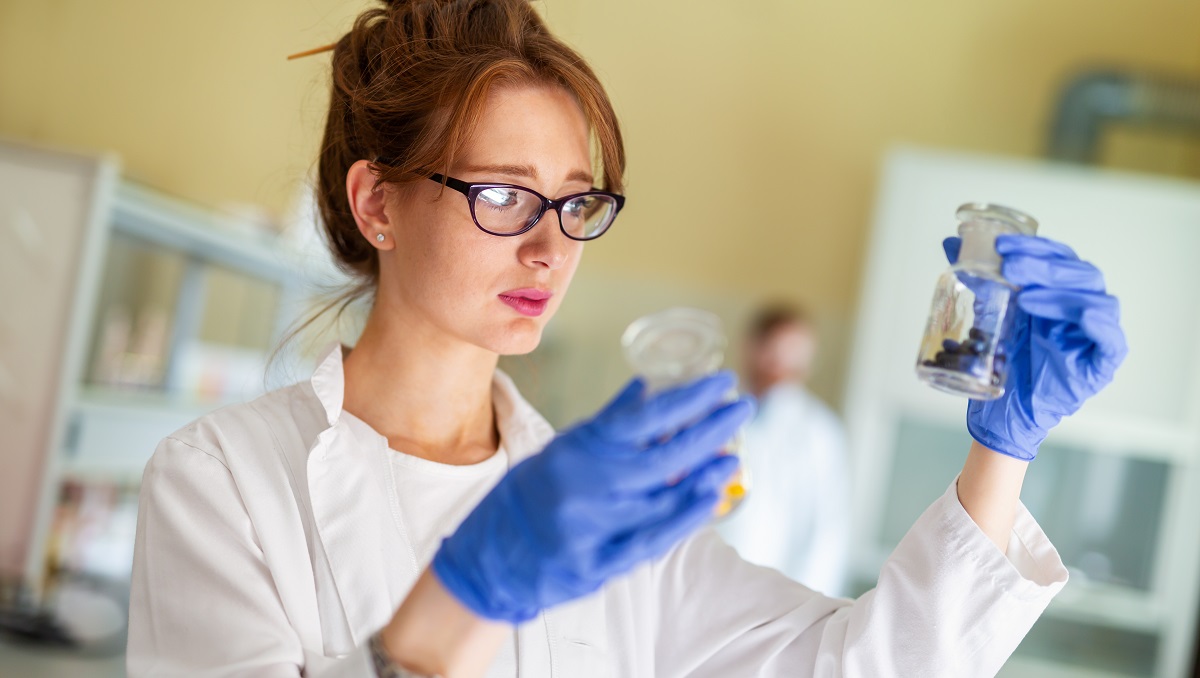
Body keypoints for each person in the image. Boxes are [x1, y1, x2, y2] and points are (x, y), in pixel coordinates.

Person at [125, 1, 1129, 676]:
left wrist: (1003, 451)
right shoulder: (222, 482)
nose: (549, 247)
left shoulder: (602, 516)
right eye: (505, 195)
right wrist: (462, 596)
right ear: (377, 203)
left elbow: (858, 665)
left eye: (577, 203)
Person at [716, 305, 852, 597]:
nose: (782, 363)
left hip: (776, 595)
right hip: (704, 578)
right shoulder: (715, 412)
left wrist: (806, 612)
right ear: (751, 348)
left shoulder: (820, 432)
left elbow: (825, 531)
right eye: (774, 350)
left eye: (795, 352)